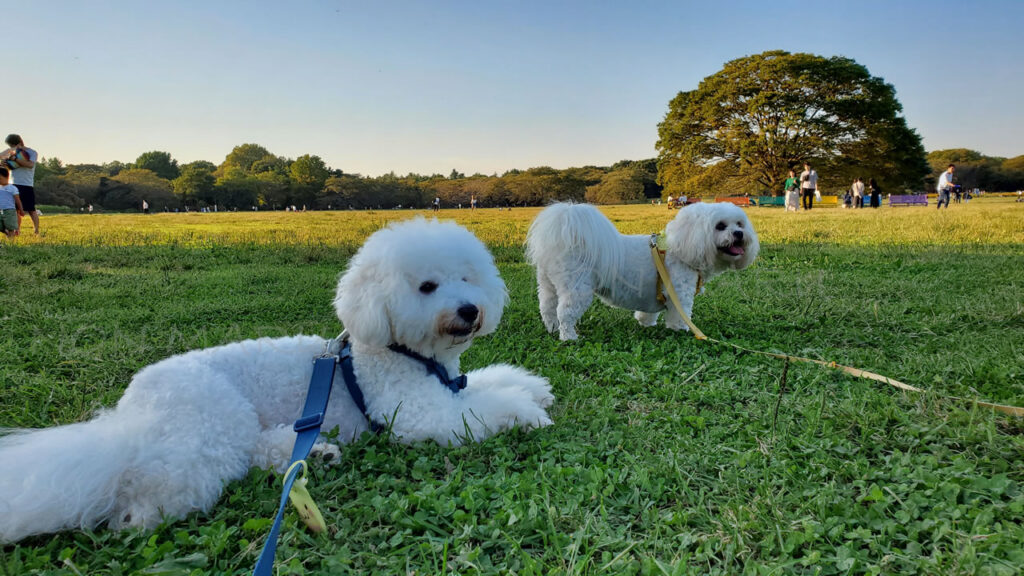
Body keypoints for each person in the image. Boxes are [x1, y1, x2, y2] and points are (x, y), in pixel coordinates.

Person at [1, 135, 38, 234]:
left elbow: (30, 165)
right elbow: (4, 161)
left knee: (31, 210)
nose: (12, 147)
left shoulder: (32, 152)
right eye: (10, 146)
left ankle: (36, 231)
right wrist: (6, 162)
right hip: (13, 184)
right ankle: (17, 230)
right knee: (15, 209)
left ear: (20, 142)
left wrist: (15, 159)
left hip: (26, 184)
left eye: (13, 145)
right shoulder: (11, 152)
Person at [0, 167, 24, 239]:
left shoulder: (12, 188)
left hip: (9, 211)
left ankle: (11, 241)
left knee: (10, 226)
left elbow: (18, 200)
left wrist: (21, 210)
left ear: (6, 177)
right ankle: (6, 232)